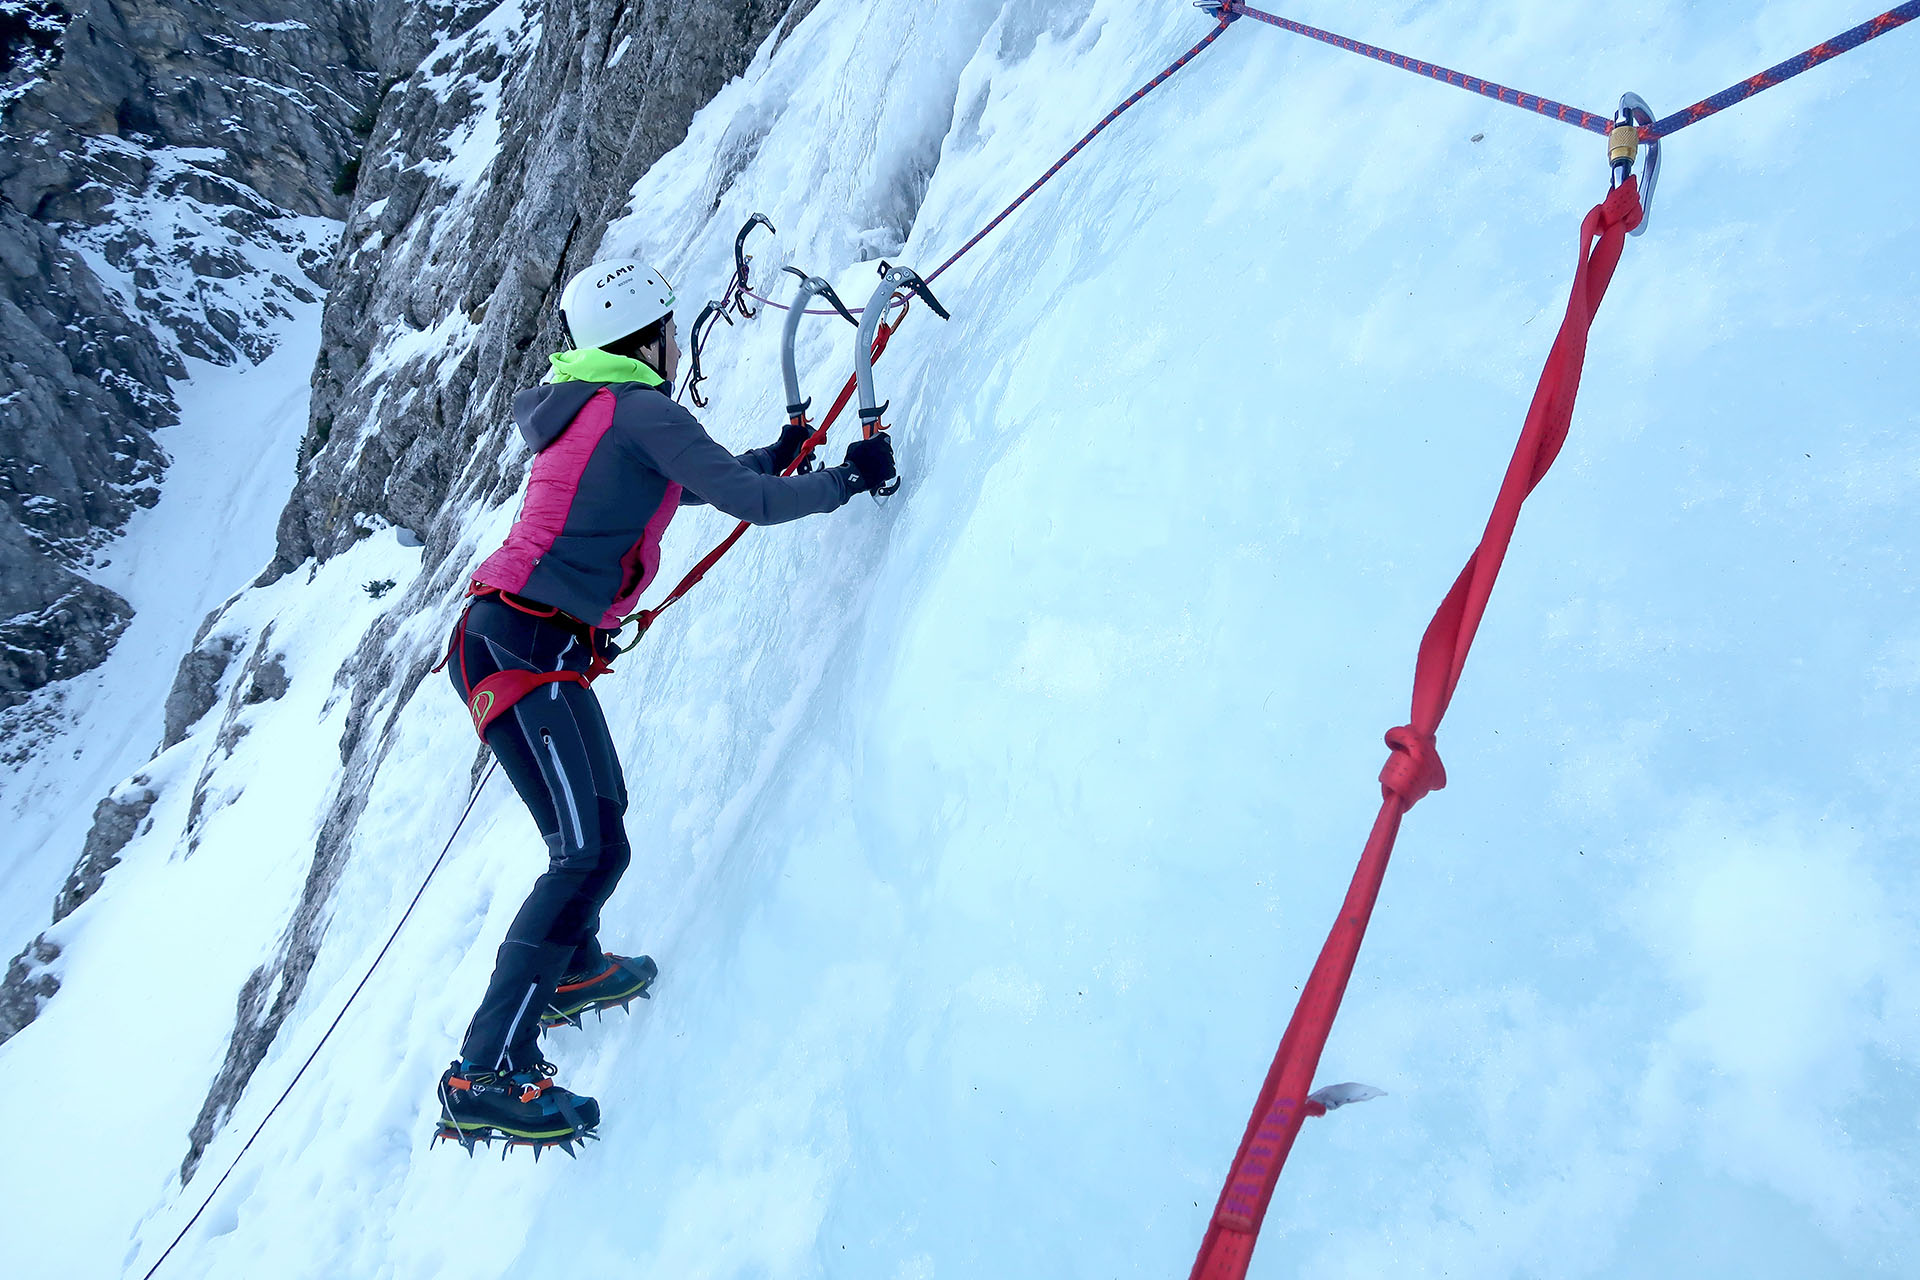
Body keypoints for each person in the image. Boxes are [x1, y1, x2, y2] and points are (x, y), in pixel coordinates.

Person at [434, 258, 896, 1151]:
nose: (677, 343)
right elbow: (751, 503)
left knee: (600, 833)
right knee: (586, 849)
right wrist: (847, 476)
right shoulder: (642, 409)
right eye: (671, 329)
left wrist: (779, 458)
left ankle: (569, 970)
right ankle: (484, 1071)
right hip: (530, 645)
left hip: (505, 641)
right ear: (647, 338)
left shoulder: (593, 414)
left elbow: (702, 483)